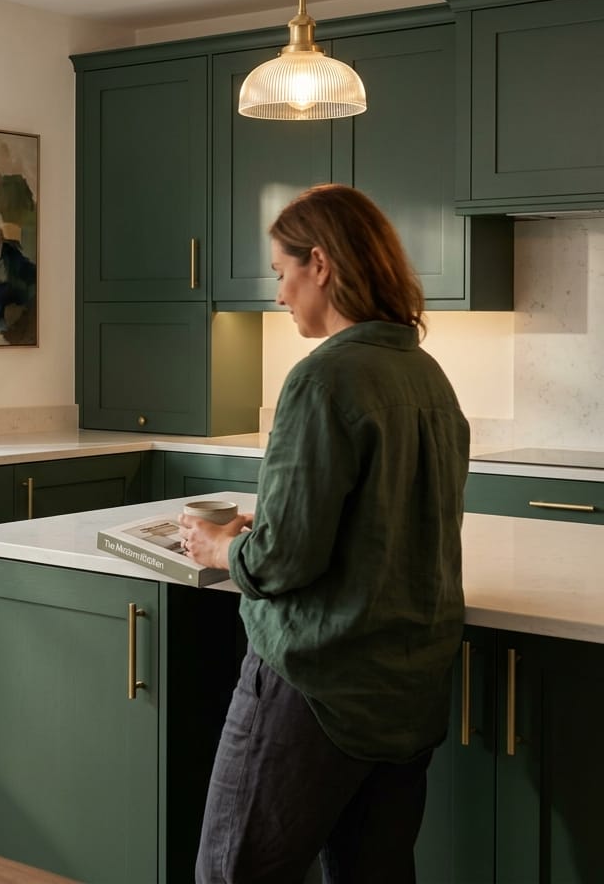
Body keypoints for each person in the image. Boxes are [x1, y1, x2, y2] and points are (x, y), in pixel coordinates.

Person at [179, 183, 469, 884]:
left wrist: (223, 548)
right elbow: (386, 525)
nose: (279, 294)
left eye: (281, 272)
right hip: (406, 690)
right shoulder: (427, 376)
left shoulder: (323, 378)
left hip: (316, 685)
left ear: (320, 263)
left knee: (233, 873)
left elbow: (282, 561)